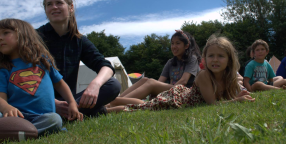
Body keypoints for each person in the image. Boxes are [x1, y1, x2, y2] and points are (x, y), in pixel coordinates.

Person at [0, 19, 83, 142]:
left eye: (6, 33)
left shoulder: (43, 62)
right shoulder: (4, 70)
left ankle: (6, 136)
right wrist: (7, 109)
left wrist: (72, 103)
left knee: (55, 120)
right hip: (14, 118)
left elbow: (60, 84)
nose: (0, 38)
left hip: (41, 117)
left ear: (23, 34)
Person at [107, 35, 254, 112]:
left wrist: (238, 96)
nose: (215, 60)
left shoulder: (227, 76)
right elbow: (213, 105)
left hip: (180, 92)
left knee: (148, 104)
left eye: (221, 56)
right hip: (179, 98)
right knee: (144, 107)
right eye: (211, 56)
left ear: (229, 60)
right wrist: (235, 101)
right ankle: (110, 105)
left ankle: (114, 101)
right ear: (205, 58)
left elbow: (230, 94)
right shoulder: (204, 74)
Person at [37, 0, 121, 118]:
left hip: (71, 100)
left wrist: (95, 84)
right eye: (49, 4)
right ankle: (75, 113)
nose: (54, 7)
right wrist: (52, 103)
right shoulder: (34, 38)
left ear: (70, 7)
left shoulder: (79, 40)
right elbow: (23, 78)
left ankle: (69, 113)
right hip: (39, 100)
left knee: (113, 85)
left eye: (59, 3)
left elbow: (105, 66)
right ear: (45, 10)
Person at [108, 30, 201, 107]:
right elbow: (159, 82)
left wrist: (165, 92)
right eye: (172, 43)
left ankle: (114, 103)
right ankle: (114, 101)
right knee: (145, 79)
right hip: (173, 90)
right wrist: (154, 92)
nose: (174, 46)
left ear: (186, 46)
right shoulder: (171, 62)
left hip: (185, 92)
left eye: (178, 43)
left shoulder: (192, 59)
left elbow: (184, 81)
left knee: (151, 82)